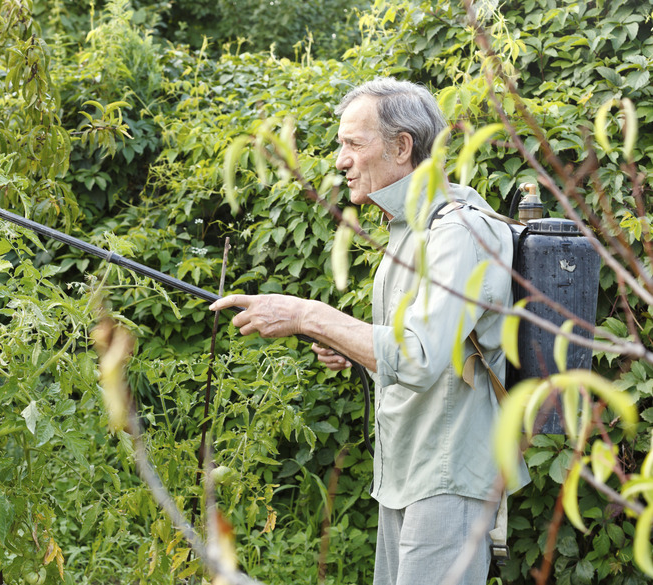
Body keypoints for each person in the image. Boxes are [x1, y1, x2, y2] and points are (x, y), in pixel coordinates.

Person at [210, 77, 529, 585]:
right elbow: (417, 347)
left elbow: (420, 357)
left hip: (446, 477)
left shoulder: (459, 232)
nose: (340, 160)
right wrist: (351, 347)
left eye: (353, 144)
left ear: (402, 147)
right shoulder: (407, 232)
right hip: (404, 472)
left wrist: (306, 314)